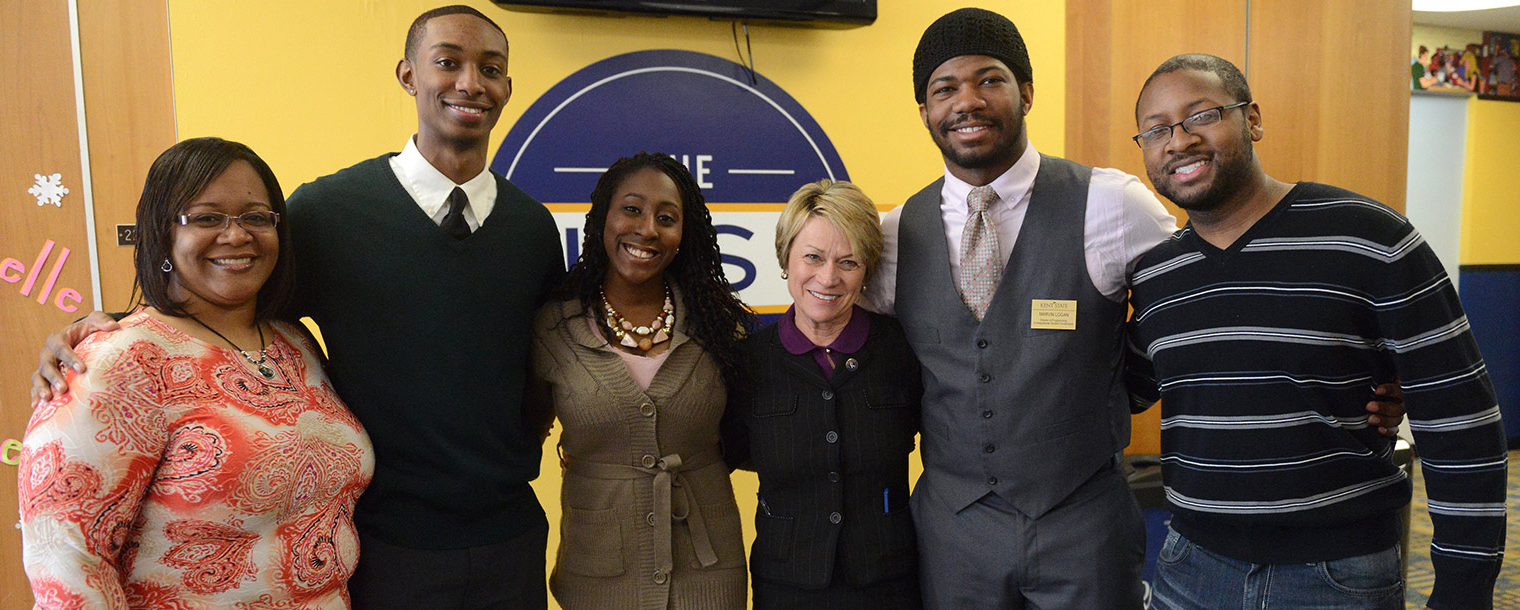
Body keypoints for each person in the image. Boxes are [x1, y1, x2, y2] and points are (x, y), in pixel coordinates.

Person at [865, 9, 1407, 609]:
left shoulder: (1112, 203)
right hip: (952, 532)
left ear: (1026, 92)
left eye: (990, 80)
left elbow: (1209, 294)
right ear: (924, 111)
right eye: (944, 88)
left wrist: (1371, 373)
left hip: (1082, 521)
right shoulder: (891, 239)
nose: (967, 101)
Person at [29, 7, 563, 609]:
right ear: (409, 75)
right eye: (447, 62)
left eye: (489, 69)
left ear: (508, 88)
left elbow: (553, 363)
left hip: (509, 539)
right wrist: (98, 330)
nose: (469, 82)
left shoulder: (533, 229)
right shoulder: (327, 213)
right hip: (385, 549)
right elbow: (213, 297)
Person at [1126, 53, 1506, 610]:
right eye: (1156, 129)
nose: (1177, 141)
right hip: (1191, 569)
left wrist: (1464, 588)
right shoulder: (1157, 275)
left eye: (1201, 116)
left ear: (1252, 120)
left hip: (1338, 575)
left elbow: (1460, 419)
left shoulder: (1370, 238)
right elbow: (1121, 388)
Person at [19, 137, 374, 609]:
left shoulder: (295, 343)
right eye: (206, 218)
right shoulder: (114, 362)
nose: (236, 235)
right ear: (162, 235)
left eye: (256, 217)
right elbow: (67, 560)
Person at [530, 153, 752, 609]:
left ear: (683, 234)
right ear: (602, 220)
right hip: (598, 575)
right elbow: (528, 432)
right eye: (631, 209)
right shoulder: (555, 328)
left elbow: (744, 439)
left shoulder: (718, 326)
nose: (648, 229)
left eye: (666, 218)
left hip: (709, 577)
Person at [722, 180, 924, 609]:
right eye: (812, 257)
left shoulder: (902, 351)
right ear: (785, 258)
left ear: (867, 270)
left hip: (890, 583)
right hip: (785, 585)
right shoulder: (747, 363)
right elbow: (728, 452)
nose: (828, 277)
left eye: (848, 262)